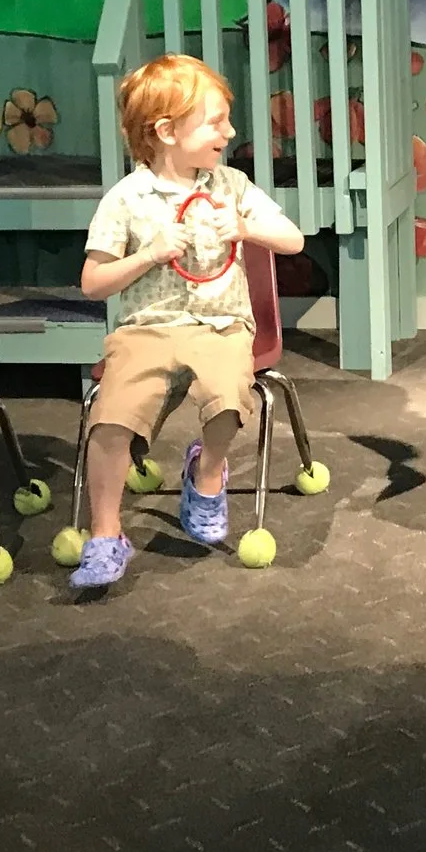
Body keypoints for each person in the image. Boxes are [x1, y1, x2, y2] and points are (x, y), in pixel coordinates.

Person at [71, 55, 306, 591]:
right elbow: (93, 283)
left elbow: (292, 240)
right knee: (112, 417)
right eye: (216, 121)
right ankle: (105, 532)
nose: (230, 132)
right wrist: (148, 255)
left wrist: (245, 227)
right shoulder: (125, 199)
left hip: (220, 324)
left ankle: (207, 472)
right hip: (146, 329)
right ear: (166, 132)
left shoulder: (232, 185)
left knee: (227, 396)